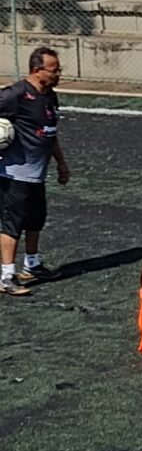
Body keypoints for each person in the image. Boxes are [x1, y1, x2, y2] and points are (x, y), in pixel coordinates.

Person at [0, 46, 70, 296]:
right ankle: (7, 276)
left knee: (35, 221)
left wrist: (61, 163)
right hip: (14, 174)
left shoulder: (50, 96)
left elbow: (51, 133)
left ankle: (32, 265)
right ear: (37, 70)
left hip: (37, 174)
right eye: (54, 70)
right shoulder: (15, 95)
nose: (58, 74)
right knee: (11, 225)